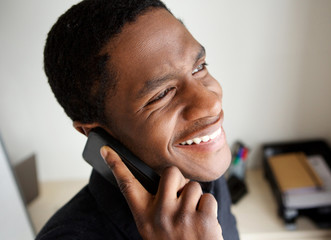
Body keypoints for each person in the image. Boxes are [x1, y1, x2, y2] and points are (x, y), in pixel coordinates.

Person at [37, 0, 239, 239]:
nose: (211, 102)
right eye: (162, 94)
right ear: (97, 134)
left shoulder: (200, 172)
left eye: (199, 67)